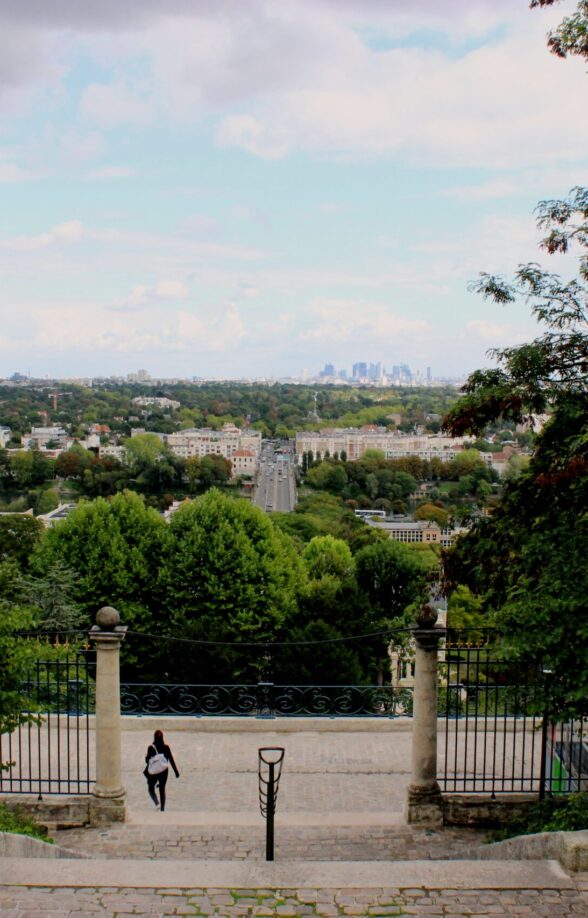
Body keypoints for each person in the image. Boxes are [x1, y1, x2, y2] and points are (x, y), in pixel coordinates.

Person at [144, 729, 180, 812]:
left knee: (151, 788)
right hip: (164, 771)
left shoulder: (151, 748)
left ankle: (157, 803)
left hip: (154, 772)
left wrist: (146, 757)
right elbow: (171, 760)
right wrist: (176, 772)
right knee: (162, 788)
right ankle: (162, 809)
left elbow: (147, 761)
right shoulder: (166, 747)